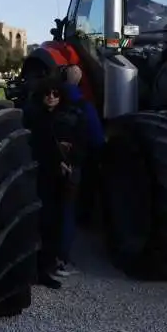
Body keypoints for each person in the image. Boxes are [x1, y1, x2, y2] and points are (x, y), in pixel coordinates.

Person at [23, 72, 89, 289]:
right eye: (47, 94)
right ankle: (36, 269)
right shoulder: (34, 118)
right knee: (40, 224)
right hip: (40, 177)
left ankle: (47, 267)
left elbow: (81, 143)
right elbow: (36, 148)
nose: (51, 97)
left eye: (55, 94)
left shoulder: (68, 117)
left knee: (55, 224)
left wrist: (71, 158)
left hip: (61, 178)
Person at [57, 65, 105, 275]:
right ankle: (61, 259)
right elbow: (97, 140)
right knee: (67, 211)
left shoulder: (49, 100)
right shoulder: (84, 106)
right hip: (72, 165)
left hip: (47, 163)